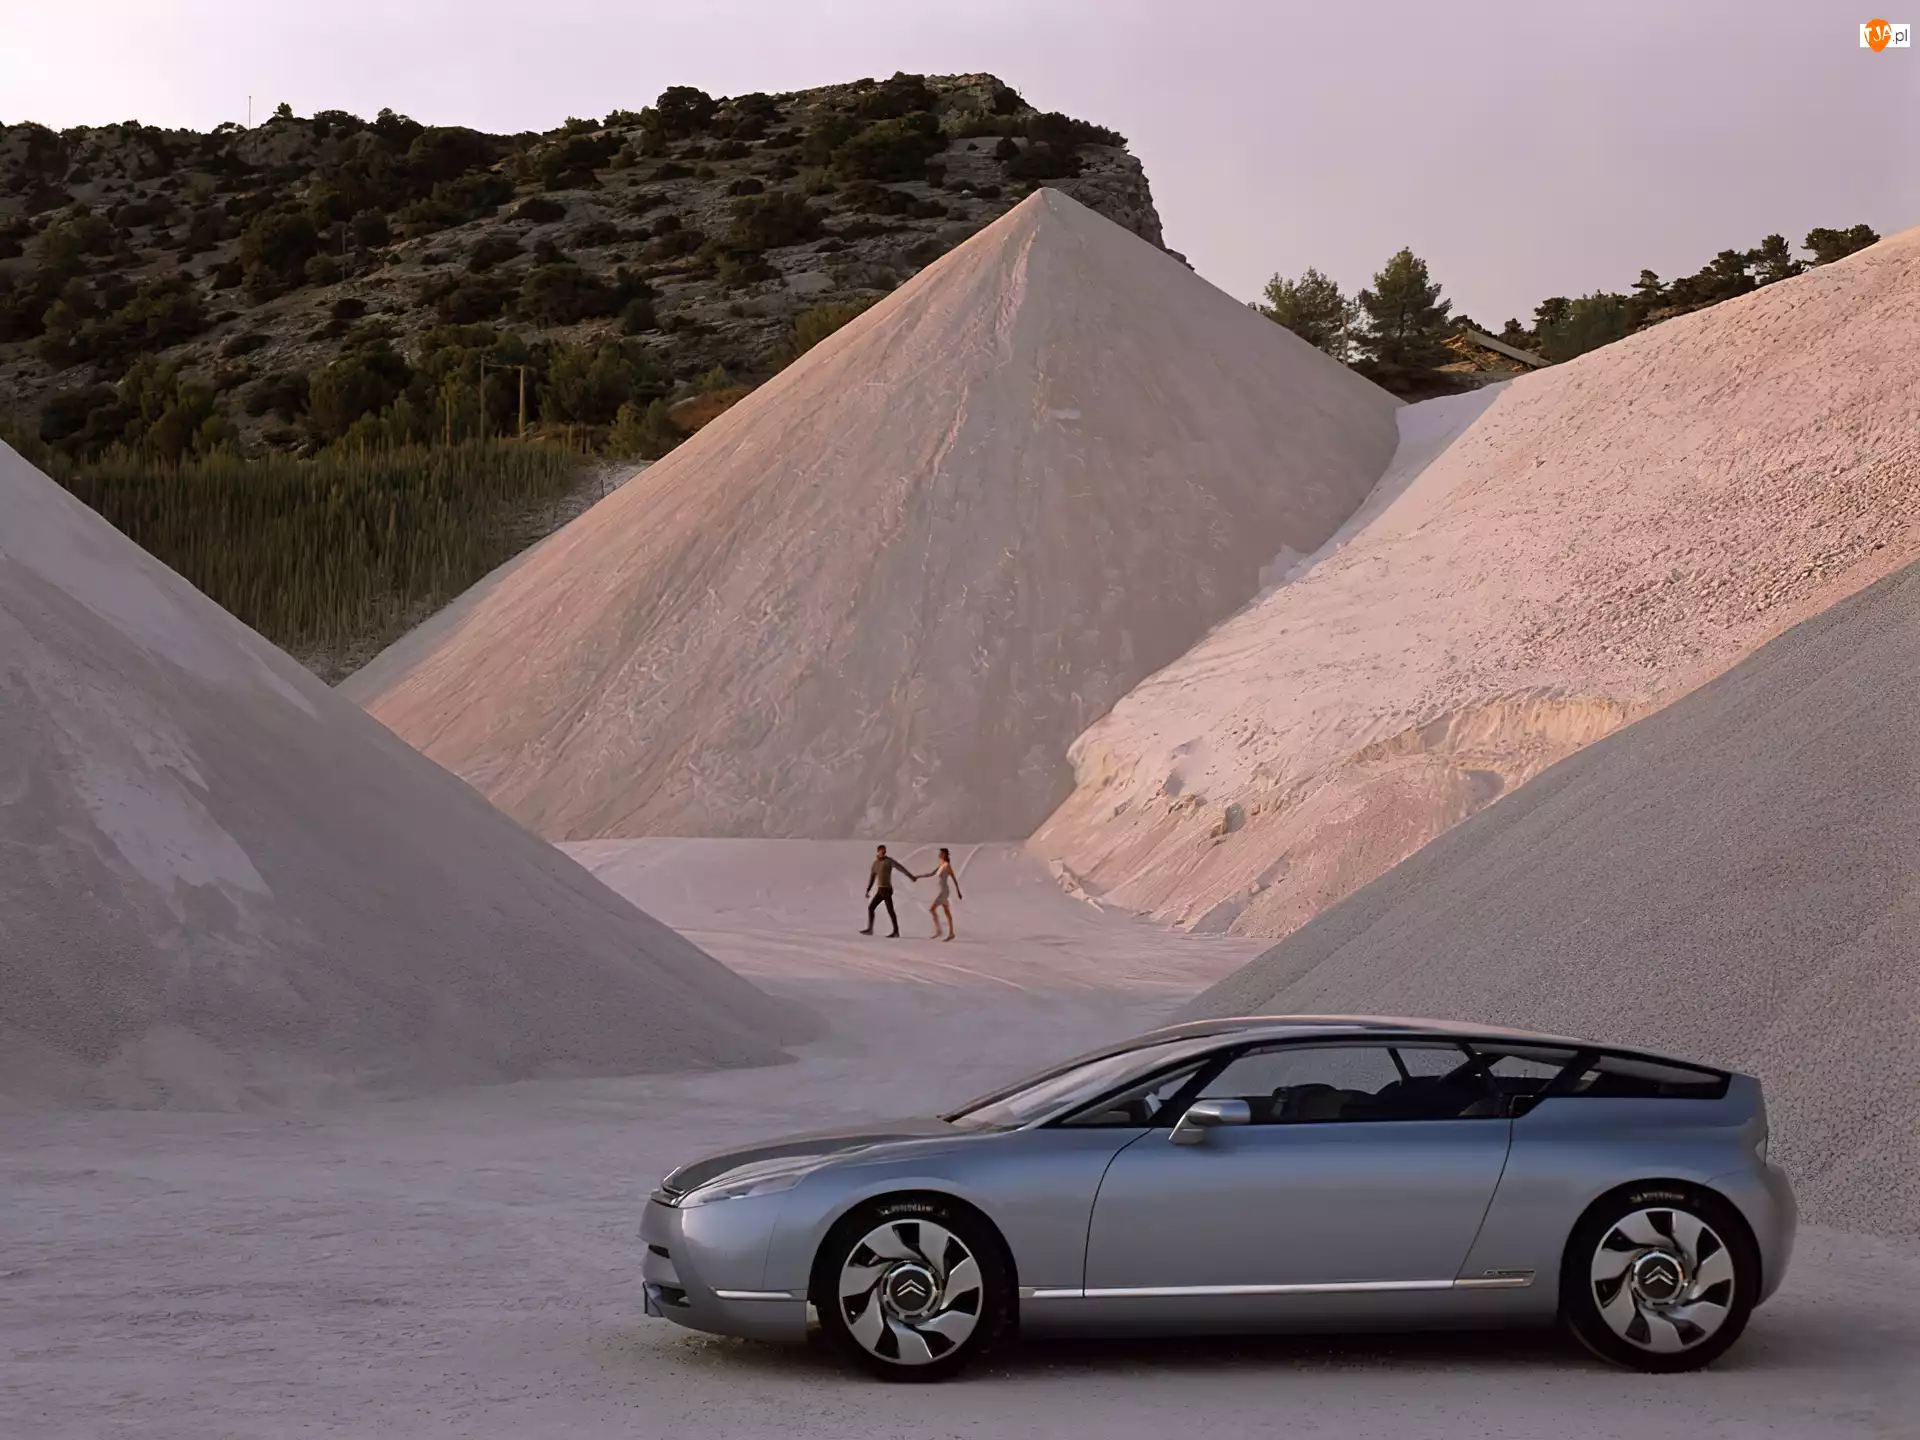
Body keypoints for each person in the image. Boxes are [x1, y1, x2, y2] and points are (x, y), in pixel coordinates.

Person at [861, 844, 918, 937]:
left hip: (887, 889)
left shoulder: (889, 861)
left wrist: (910, 876)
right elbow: (872, 877)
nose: (884, 852)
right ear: (878, 852)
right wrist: (868, 889)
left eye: (885, 851)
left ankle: (896, 931)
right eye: (882, 851)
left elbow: (900, 868)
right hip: (880, 890)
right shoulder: (875, 864)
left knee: (890, 910)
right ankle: (870, 929)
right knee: (871, 908)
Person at [928, 847, 963, 941]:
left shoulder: (947, 865)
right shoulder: (941, 864)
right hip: (942, 890)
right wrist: (918, 877)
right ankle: (950, 933)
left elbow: (954, 878)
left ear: (945, 855)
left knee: (932, 909)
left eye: (941, 853)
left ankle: (939, 930)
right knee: (946, 911)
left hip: (943, 891)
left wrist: (958, 891)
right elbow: (932, 873)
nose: (939, 854)